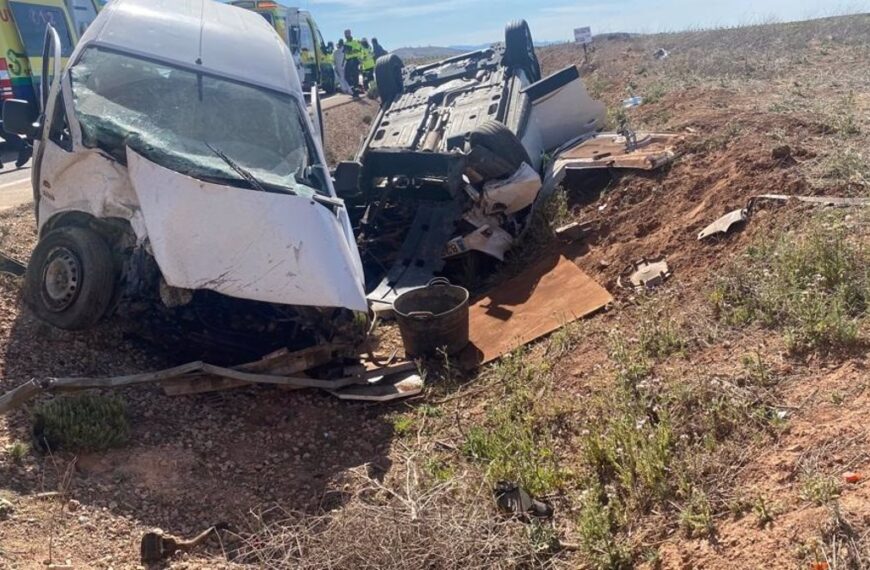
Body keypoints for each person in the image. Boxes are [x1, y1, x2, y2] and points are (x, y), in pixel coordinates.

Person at [342, 29, 362, 96]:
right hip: (348, 60)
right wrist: (343, 61)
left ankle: (356, 91)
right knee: (346, 76)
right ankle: (353, 88)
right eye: (345, 34)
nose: (346, 35)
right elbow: (345, 53)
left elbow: (358, 50)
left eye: (347, 34)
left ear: (350, 33)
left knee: (355, 75)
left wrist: (351, 51)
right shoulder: (345, 43)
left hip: (354, 59)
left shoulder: (355, 41)